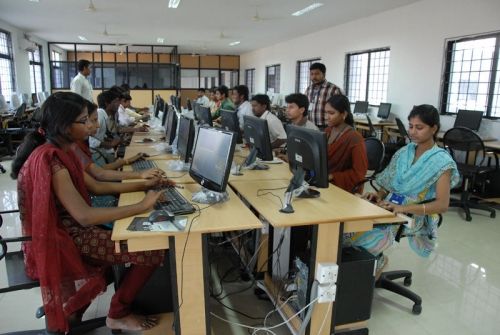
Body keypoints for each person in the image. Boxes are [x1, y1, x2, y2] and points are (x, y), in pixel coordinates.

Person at [11, 92, 172, 333]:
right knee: (150, 247)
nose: (90, 125)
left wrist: (144, 185)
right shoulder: (53, 160)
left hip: (66, 234)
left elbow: (95, 185)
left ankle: (72, 310)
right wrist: (142, 205)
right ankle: (117, 313)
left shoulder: (63, 150)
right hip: (64, 241)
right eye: (84, 120)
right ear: (65, 126)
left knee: (126, 244)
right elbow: (84, 216)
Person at [346, 104, 460, 264]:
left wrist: (402, 208)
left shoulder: (442, 162)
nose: (412, 132)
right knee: (345, 229)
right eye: (411, 126)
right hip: (387, 206)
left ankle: (374, 265)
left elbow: (442, 205)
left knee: (359, 242)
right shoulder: (405, 152)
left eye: (419, 127)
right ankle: (367, 265)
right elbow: (387, 184)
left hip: (412, 215)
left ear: (433, 129)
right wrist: (377, 195)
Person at [324, 95, 368, 192]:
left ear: (343, 114)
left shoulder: (354, 138)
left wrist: (332, 176)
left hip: (341, 187)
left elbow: (359, 173)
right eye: (325, 112)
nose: (327, 117)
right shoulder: (327, 131)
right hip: (324, 182)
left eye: (331, 113)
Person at [304, 62, 342, 129]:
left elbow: (340, 110)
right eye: (311, 74)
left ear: (324, 74)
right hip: (310, 126)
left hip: (326, 127)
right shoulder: (308, 89)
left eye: (317, 74)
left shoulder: (334, 89)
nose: (313, 77)